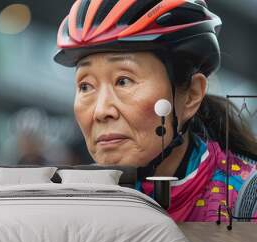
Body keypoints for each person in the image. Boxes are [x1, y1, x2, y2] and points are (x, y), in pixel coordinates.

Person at [53, 0, 257, 222]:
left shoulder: (246, 203)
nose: (101, 111)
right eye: (85, 86)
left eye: (123, 81)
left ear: (191, 95)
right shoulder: (71, 205)